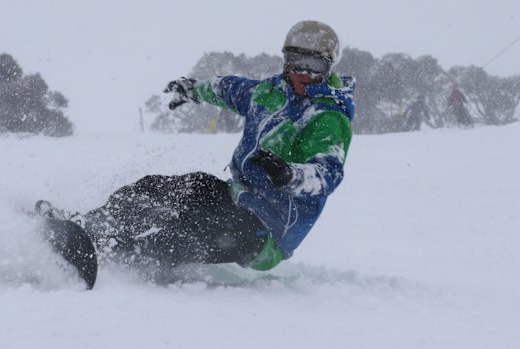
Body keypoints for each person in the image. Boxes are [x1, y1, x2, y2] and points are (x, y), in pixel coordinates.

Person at [37, 20, 355, 276]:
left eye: (312, 64)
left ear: (328, 66)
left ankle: (108, 254)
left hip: (268, 228)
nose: (302, 72)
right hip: (237, 194)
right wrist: (193, 90)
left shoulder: (328, 117)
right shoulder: (269, 92)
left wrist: (290, 176)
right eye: (295, 61)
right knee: (160, 187)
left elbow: (328, 172)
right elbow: (227, 88)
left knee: (188, 234)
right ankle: (90, 223)